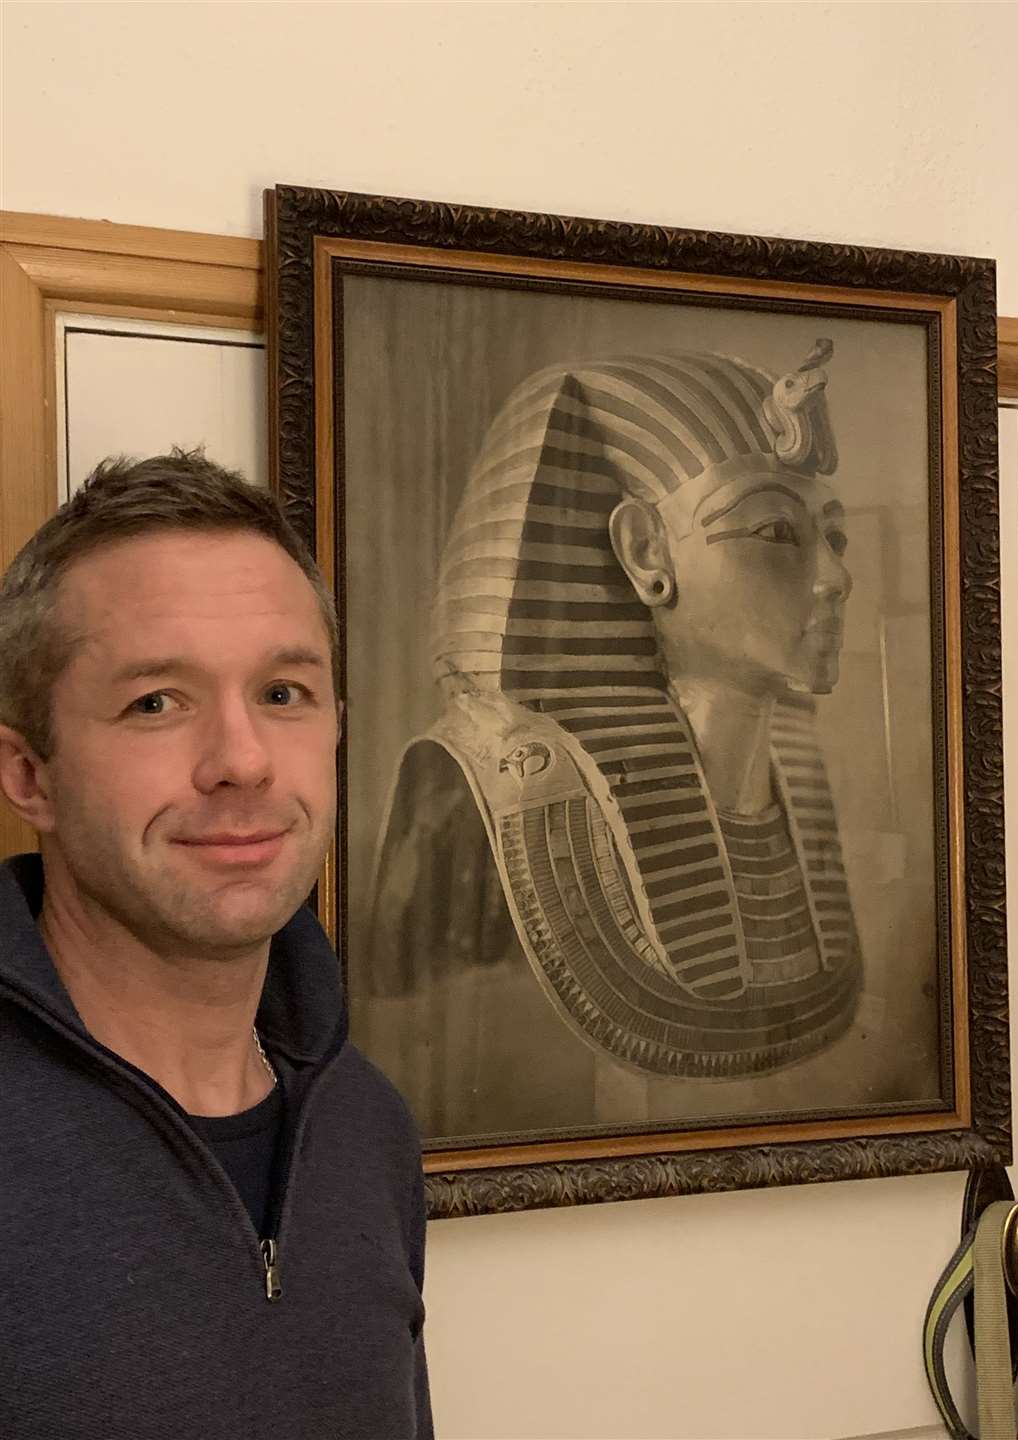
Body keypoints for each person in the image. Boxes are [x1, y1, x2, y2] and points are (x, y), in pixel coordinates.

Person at [0, 451, 433, 1440]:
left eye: (284, 693)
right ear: (29, 775)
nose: (240, 759)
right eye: (158, 702)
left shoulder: (366, 1129)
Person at [370, 343, 863, 1138]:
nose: (834, 578)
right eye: (775, 529)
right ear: (645, 555)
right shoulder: (470, 796)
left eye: (831, 536)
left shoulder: (806, 780)